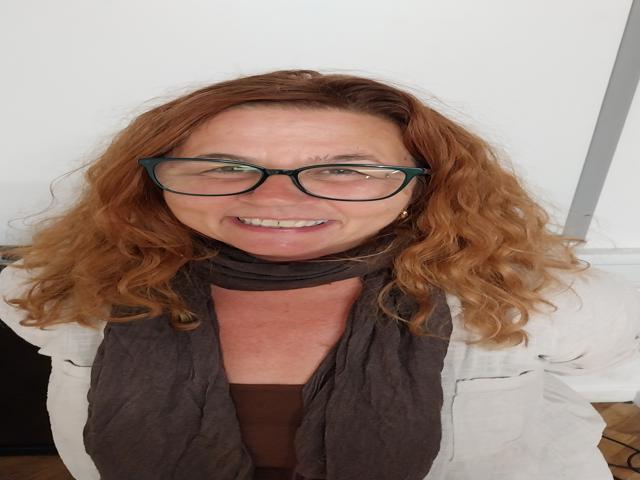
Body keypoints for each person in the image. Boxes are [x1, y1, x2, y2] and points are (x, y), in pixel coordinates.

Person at [0, 69, 638, 480]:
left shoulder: (534, 294)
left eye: (345, 169)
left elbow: (612, 354)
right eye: (225, 166)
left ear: (423, 187)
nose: (276, 199)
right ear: (155, 181)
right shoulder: (61, 291)